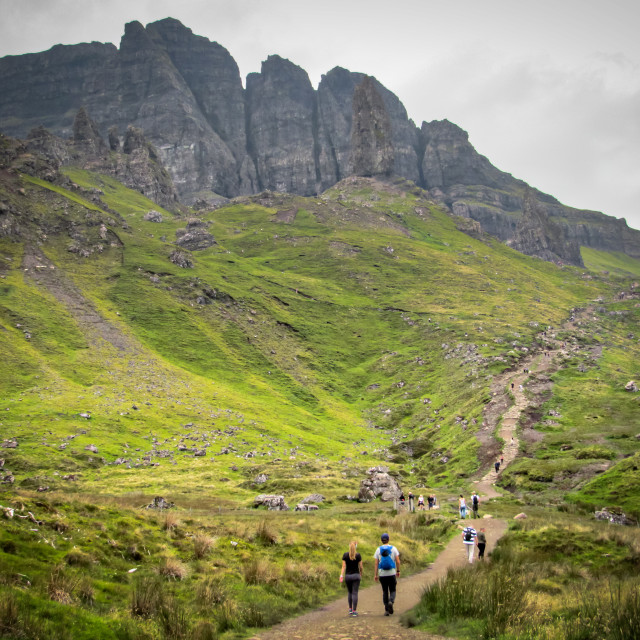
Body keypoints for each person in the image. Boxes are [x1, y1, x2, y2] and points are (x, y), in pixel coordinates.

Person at [374, 533, 400, 616]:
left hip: (382, 574)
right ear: (388, 539)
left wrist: (376, 575)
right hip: (391, 573)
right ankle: (391, 601)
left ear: (382, 540)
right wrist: (398, 571)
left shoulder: (378, 550)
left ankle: (386, 610)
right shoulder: (394, 548)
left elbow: (376, 563)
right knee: (392, 590)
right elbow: (398, 561)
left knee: (385, 591)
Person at [340, 540, 363, 616]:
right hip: (356, 576)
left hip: (348, 576)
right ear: (356, 546)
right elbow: (361, 566)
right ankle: (354, 611)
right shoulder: (358, 555)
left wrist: (341, 575)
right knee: (355, 593)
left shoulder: (345, 555)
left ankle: (350, 609)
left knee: (349, 592)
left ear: (349, 546)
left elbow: (343, 566)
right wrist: (361, 573)